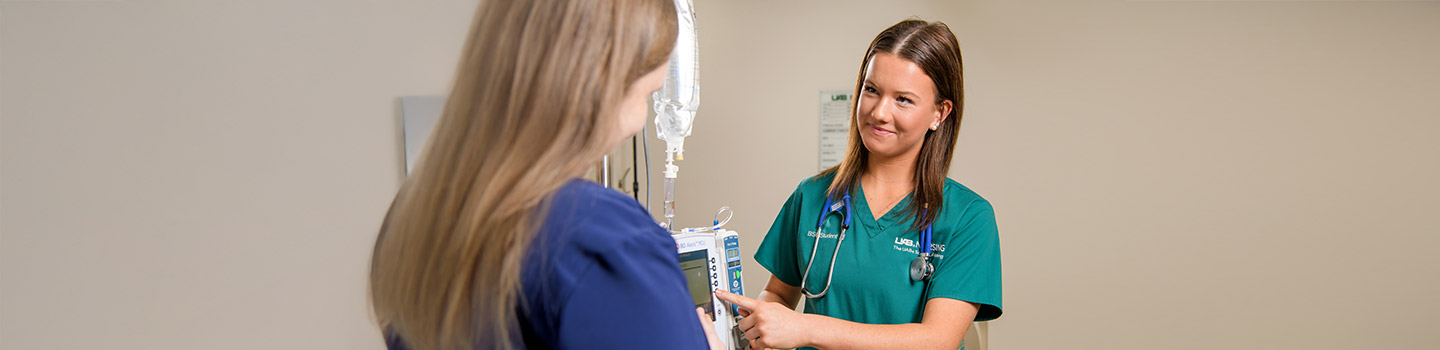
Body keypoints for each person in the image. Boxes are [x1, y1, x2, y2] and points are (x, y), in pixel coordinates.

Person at [367, 0, 723, 349]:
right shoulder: (600, 236)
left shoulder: (412, 213)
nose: (638, 123)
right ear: (595, 85)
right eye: (647, 95)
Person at [715, 19, 1002, 350]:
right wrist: (762, 328)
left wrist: (807, 329)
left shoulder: (968, 217)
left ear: (940, 113)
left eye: (903, 100)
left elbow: (937, 340)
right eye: (871, 90)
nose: (879, 112)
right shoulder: (812, 196)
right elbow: (779, 294)